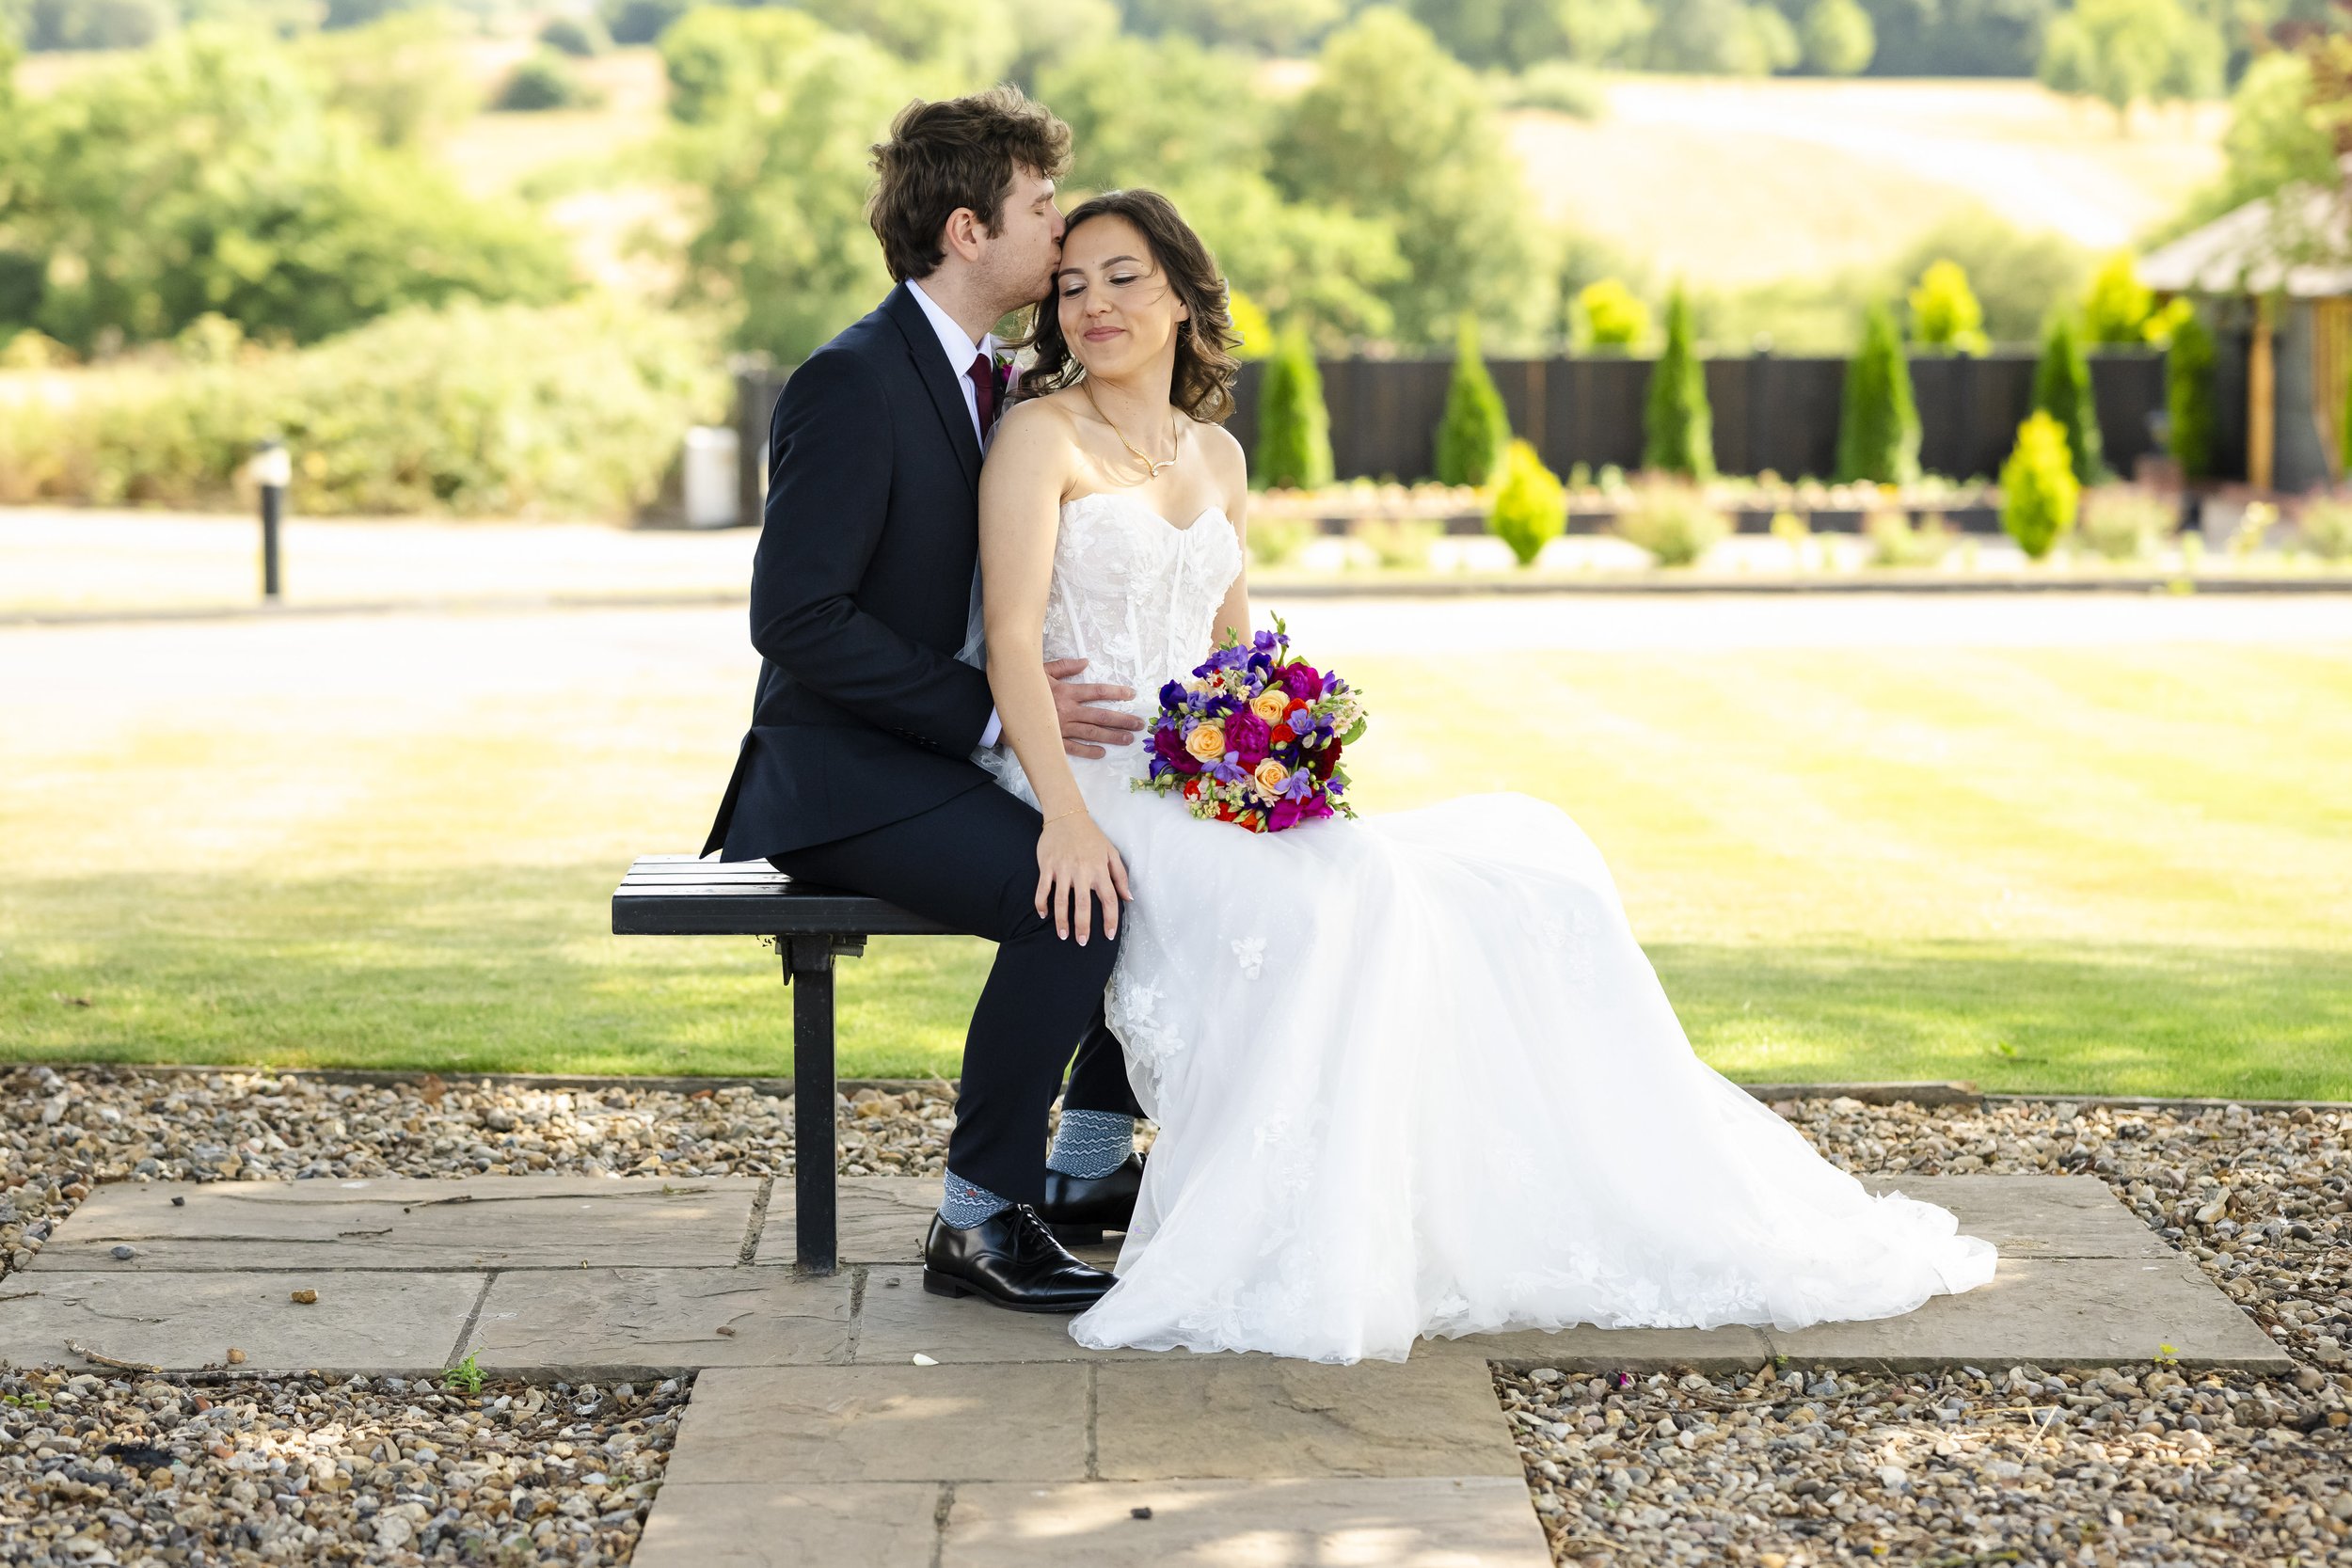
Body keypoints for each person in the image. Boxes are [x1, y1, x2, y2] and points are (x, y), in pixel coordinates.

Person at [972, 187, 2000, 1364]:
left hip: (1196, 772)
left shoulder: (1216, 454)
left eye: (1124, 278)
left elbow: (1235, 657)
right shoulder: (1039, 436)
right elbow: (1010, 640)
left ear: (1184, 297)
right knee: (1337, 900)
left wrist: (1279, 750)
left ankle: (1472, 1192)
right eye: (1072, 284)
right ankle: (1267, 1216)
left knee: (1526, 857)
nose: (1094, 304)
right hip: (1086, 770)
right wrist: (1059, 814)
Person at [704, 88, 1149, 1315]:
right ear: (968, 229)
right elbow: (794, 619)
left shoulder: (996, 379)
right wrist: (993, 714)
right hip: (841, 775)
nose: (1062, 236)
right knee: (1077, 894)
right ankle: (976, 1218)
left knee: (1160, 848)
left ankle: (1086, 1164)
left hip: (950, 752)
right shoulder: (852, 380)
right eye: (1043, 209)